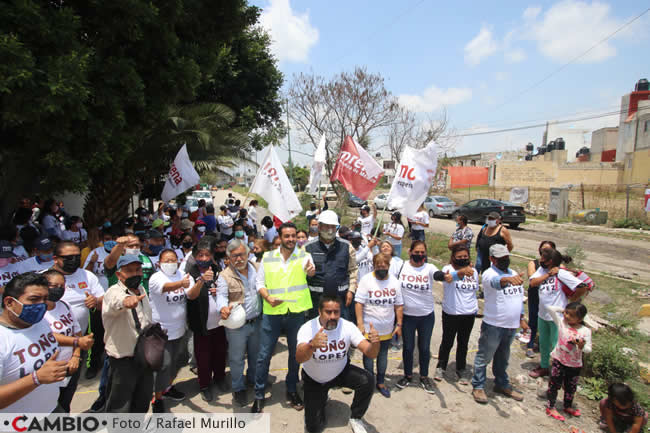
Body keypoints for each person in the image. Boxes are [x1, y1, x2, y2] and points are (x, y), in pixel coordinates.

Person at [253, 222, 316, 413]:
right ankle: (258, 394)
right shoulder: (268, 257)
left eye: (293, 236)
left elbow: (309, 273)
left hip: (296, 313)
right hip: (272, 314)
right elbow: (259, 282)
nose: (290, 239)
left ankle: (291, 389)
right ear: (280, 238)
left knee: (294, 355)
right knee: (263, 356)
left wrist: (311, 273)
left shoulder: (305, 256)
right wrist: (267, 297)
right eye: (286, 236)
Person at [296, 295, 380, 433]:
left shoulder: (347, 326)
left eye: (336, 312)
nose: (333, 316)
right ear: (319, 312)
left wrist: (375, 343)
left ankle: (356, 418)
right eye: (328, 312)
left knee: (367, 380)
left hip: (339, 372)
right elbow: (299, 358)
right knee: (313, 428)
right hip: (314, 379)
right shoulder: (307, 328)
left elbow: (370, 353)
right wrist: (311, 345)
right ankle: (321, 397)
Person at [0, 272, 68, 413]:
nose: (41, 305)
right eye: (34, 299)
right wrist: (35, 379)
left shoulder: (40, 322)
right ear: (9, 302)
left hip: (52, 411)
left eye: (44, 299)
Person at [148, 249, 202, 412]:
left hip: (179, 329)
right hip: (161, 330)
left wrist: (200, 282)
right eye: (167, 260)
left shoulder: (183, 275)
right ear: (159, 262)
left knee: (174, 364)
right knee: (162, 364)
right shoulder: (156, 278)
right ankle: (156, 398)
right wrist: (180, 284)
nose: (171, 263)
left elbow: (191, 295)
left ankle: (167, 388)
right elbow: (164, 288)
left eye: (173, 260)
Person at [471, 244, 525, 404]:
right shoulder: (489, 274)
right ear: (492, 259)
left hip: (511, 324)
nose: (504, 260)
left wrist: (521, 317)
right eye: (500, 258)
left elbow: (519, 296)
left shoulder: (514, 273)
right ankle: (478, 386)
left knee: (503, 357)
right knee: (484, 356)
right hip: (494, 324)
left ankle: (502, 384)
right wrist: (507, 279)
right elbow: (496, 282)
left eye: (506, 257)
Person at [102, 255, 154, 412]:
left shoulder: (141, 288)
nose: (135, 274)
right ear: (119, 274)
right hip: (124, 358)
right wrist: (127, 302)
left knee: (142, 399)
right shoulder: (113, 292)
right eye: (129, 271)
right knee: (121, 404)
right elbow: (118, 300)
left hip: (144, 354)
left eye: (137, 270)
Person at [216, 239, 262, 407]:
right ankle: (238, 388)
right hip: (237, 326)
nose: (239, 259)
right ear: (228, 258)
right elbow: (221, 295)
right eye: (234, 256)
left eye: (242, 254)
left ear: (248, 254)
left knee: (256, 355)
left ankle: (253, 380)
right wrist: (222, 307)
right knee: (236, 359)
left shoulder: (258, 268)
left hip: (257, 321)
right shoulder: (224, 275)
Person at [529, 249, 587, 379]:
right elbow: (532, 283)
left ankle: (558, 371)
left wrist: (572, 300)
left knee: (558, 345)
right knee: (544, 343)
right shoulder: (543, 271)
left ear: (550, 261)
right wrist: (548, 275)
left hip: (557, 317)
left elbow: (582, 287)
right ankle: (544, 366)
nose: (540, 261)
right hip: (542, 314)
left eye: (543, 259)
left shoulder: (561, 274)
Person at [42, 269, 94, 412]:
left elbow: (76, 331)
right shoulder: (39, 311)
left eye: (62, 286)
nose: (59, 289)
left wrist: (76, 356)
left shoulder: (64, 305)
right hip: (51, 369)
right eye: (54, 286)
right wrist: (77, 342)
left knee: (65, 404)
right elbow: (48, 335)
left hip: (71, 365)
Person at [185, 237, 228, 402]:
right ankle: (205, 385)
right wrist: (202, 281)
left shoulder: (217, 270)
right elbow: (191, 295)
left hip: (219, 323)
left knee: (220, 353)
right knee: (203, 357)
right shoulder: (191, 273)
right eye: (200, 255)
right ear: (195, 256)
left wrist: (220, 291)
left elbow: (225, 291)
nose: (204, 258)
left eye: (207, 255)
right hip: (201, 325)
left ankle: (220, 378)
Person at [355, 253, 403, 398]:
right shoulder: (366, 280)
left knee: (383, 355)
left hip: (387, 327)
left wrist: (399, 324)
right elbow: (359, 303)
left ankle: (381, 382)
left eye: (384, 266)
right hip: (370, 328)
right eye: (378, 266)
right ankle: (369, 381)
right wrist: (360, 323)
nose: (381, 268)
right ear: (374, 266)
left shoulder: (394, 282)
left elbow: (399, 305)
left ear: (388, 266)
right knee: (369, 355)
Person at [394, 240, 438, 393]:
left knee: (424, 348)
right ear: (410, 252)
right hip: (407, 316)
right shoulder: (402, 266)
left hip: (426, 316)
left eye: (422, 253)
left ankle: (424, 377)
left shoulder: (430, 268)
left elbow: (438, 275)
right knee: (408, 347)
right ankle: (407, 375)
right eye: (416, 252)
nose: (419, 255)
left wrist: (448, 276)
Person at [433, 245, 478, 384]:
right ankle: (441, 366)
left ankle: (461, 368)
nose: (463, 259)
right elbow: (445, 278)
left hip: (469, 313)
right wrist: (461, 273)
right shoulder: (448, 269)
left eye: (465, 257)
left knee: (463, 342)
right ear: (453, 257)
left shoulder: (474, 272)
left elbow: (473, 290)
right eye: (459, 257)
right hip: (451, 312)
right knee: (447, 341)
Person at [305, 210, 358, 321]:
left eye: (333, 227)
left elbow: (353, 270)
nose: (330, 230)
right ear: (319, 227)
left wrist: (351, 290)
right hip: (315, 301)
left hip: (340, 300)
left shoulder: (346, 246)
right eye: (326, 226)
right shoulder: (307, 248)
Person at [544, 303, 591, 421]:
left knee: (571, 387)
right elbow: (550, 308)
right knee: (554, 385)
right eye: (566, 313)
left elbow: (588, 349)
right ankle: (551, 406)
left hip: (574, 364)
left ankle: (567, 406)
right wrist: (563, 310)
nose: (567, 316)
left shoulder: (585, 331)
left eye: (572, 315)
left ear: (580, 319)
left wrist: (581, 345)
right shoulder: (561, 323)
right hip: (559, 360)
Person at [525, 240, 556, 358]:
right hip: (535, 295)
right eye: (543, 249)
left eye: (548, 250)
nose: (545, 252)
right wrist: (548, 274)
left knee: (549, 322)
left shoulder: (557, 267)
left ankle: (546, 347)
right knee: (533, 319)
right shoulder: (534, 263)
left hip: (550, 298)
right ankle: (530, 344)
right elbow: (533, 280)